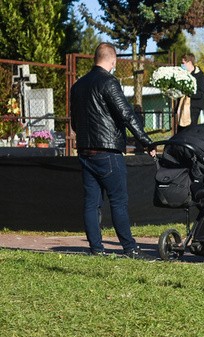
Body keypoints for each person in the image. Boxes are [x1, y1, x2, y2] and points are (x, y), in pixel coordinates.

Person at [69, 42, 157, 259]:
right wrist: (146, 142)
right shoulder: (108, 82)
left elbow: (75, 122)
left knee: (91, 202)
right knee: (118, 201)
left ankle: (96, 249)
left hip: (85, 150)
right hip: (108, 151)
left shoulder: (78, 86)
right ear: (113, 60)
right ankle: (130, 248)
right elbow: (126, 114)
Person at [176, 53, 204, 130]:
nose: (182, 65)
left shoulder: (200, 77)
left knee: (190, 131)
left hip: (193, 108)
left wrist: (188, 93)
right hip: (182, 107)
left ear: (189, 62)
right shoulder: (182, 76)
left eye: (183, 63)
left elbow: (201, 94)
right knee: (180, 131)